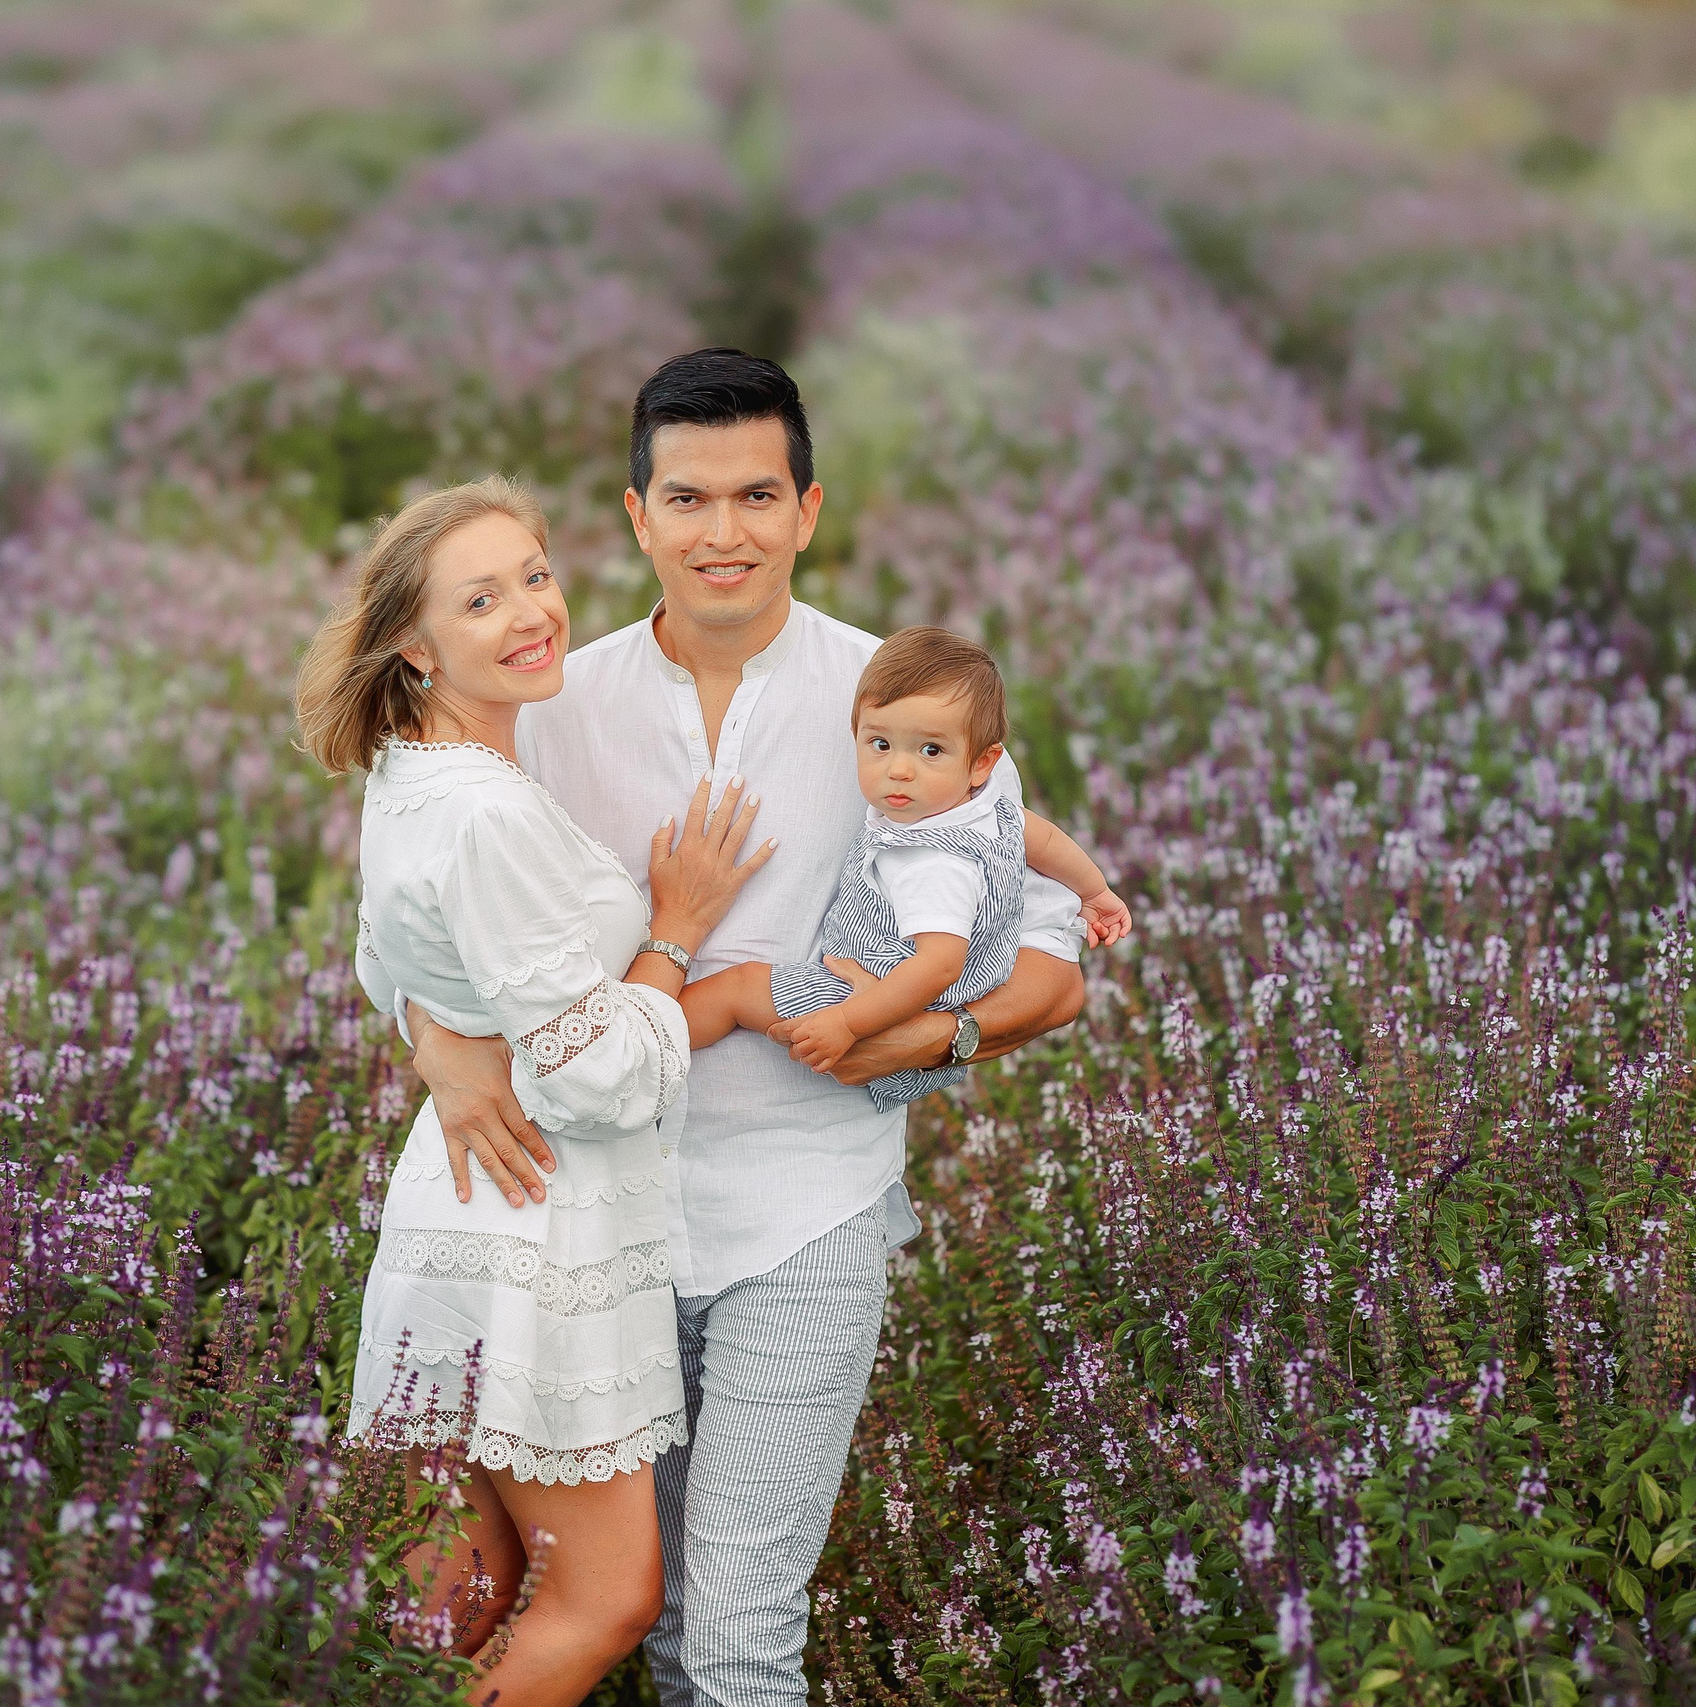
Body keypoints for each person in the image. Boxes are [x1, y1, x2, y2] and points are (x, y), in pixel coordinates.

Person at [398, 350, 1092, 1705]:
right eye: (691, 497)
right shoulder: (551, 702)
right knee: (631, 1615)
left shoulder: (895, 698)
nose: (726, 532)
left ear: (809, 510)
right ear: (636, 515)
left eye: (758, 495)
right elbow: (432, 916)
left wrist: (924, 1041)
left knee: (736, 1631)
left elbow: (1054, 959)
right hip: (597, 1224)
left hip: (805, 1213)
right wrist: (430, 1030)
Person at [297, 476, 776, 1706]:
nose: (530, 612)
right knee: (601, 1597)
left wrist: (438, 1041)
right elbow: (588, 1078)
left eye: (536, 576)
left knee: (448, 1607)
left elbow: (382, 956)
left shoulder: (414, 776)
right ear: (414, 642)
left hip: (455, 1215)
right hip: (538, 1231)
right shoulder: (485, 812)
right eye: (480, 598)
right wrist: (677, 945)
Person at [680, 625, 1131, 1108]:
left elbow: (938, 965)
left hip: (883, 995)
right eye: (880, 745)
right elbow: (1042, 839)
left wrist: (848, 1021)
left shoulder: (928, 858)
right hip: (949, 988)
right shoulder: (983, 806)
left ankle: (647, 1040)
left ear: (983, 762)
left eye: (930, 750)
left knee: (735, 989)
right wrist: (1095, 892)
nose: (899, 769)